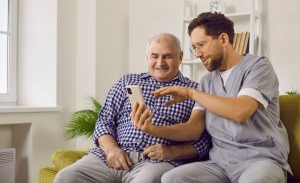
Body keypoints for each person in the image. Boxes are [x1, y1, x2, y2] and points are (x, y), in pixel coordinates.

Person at [131, 12, 291, 183]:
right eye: (194, 47)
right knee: (172, 178)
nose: (198, 53)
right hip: (219, 164)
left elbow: (240, 111)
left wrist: (191, 93)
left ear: (223, 39)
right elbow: (193, 129)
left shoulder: (258, 67)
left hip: (260, 159)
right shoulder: (207, 81)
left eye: (201, 45)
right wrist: (152, 129)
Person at [54, 33, 211, 183]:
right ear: (147, 57)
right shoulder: (127, 81)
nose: (160, 62)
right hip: (110, 157)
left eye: (167, 56)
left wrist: (172, 152)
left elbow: (203, 141)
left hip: (154, 163)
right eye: (154, 56)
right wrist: (111, 150)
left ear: (180, 57)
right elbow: (104, 121)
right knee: (66, 177)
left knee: (146, 180)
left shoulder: (194, 91)